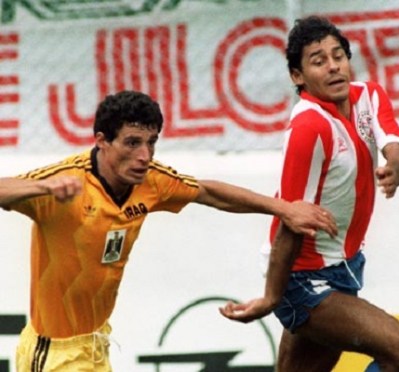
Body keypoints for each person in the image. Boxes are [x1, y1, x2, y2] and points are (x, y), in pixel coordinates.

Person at [0, 90, 337, 371]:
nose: (144, 156)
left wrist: (283, 208)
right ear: (102, 141)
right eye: (132, 143)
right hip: (53, 352)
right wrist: (42, 189)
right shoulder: (67, 181)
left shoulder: (152, 181)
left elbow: (209, 193)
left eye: (151, 143)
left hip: (94, 342)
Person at [220, 15, 399, 372]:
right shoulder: (309, 128)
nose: (333, 67)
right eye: (318, 61)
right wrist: (271, 297)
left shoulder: (368, 97)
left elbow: (396, 146)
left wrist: (397, 169)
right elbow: (292, 220)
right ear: (297, 77)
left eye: (338, 56)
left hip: (342, 268)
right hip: (302, 278)